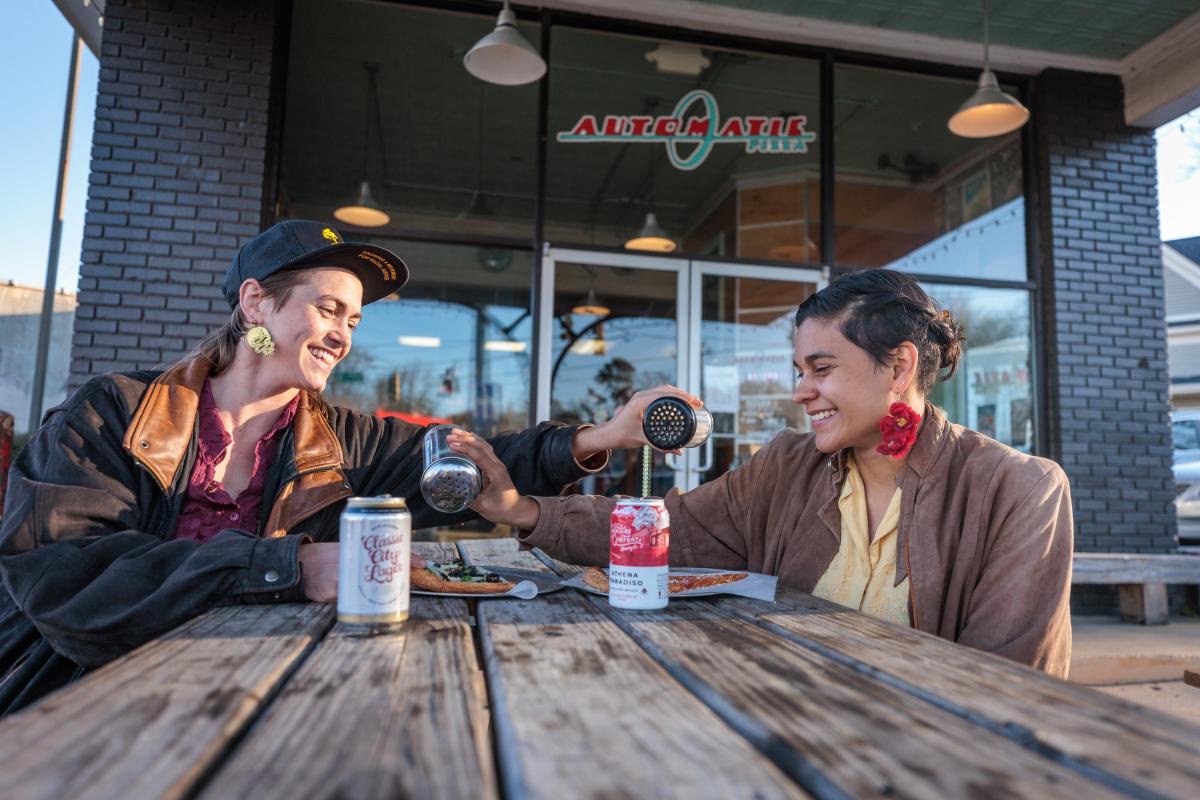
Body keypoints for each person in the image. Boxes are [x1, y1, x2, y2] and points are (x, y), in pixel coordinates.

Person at [0, 220, 678, 714]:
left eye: (353, 320)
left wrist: (603, 434)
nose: (343, 336)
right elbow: (67, 579)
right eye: (327, 309)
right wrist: (290, 566)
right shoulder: (111, 413)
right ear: (256, 303)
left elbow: (476, 453)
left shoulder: (340, 442)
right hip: (79, 700)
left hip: (255, 695)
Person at [452, 270, 1074, 677]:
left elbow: (1007, 687)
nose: (802, 392)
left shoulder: (1018, 489)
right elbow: (671, 527)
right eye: (798, 370)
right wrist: (522, 511)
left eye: (821, 368)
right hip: (778, 723)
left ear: (900, 366)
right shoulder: (787, 464)